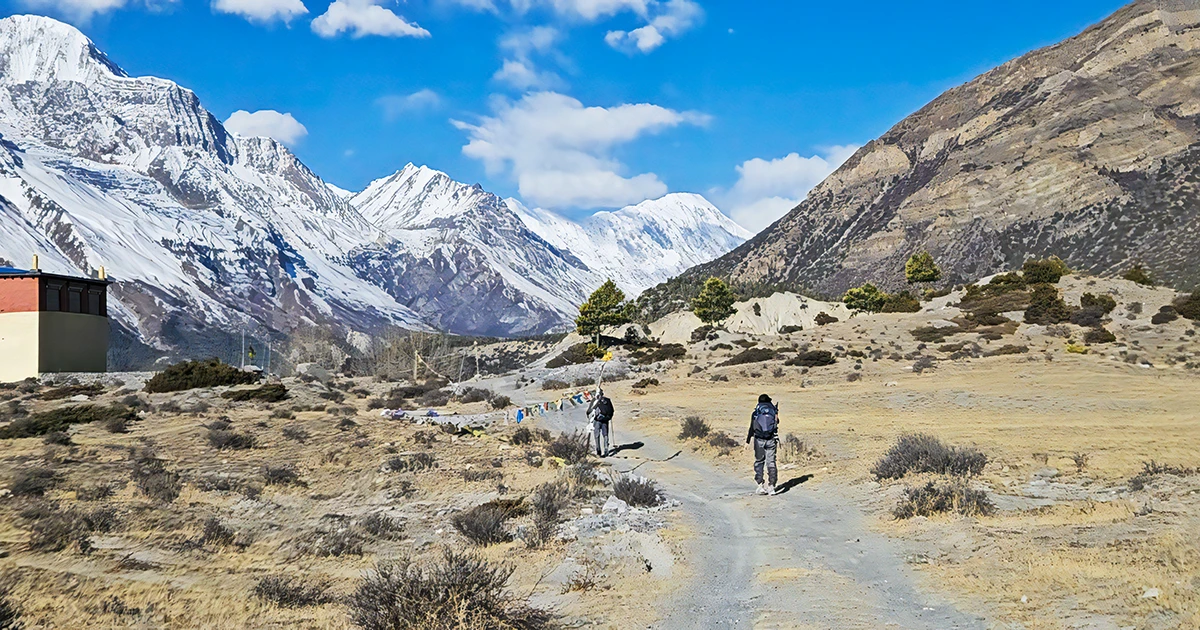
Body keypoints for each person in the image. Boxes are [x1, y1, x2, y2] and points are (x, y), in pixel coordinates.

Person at [746, 394, 779, 495]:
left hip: (759, 439)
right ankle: (772, 486)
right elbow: (776, 423)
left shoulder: (756, 412)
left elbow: (752, 427)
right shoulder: (773, 411)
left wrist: (748, 441)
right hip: (771, 439)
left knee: (759, 461)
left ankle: (760, 485)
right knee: (771, 462)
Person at [587, 388, 614, 457]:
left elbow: (611, 410)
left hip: (601, 420)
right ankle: (601, 449)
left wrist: (607, 418)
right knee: (601, 435)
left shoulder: (603, 401)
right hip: (600, 420)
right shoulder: (597, 401)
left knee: (601, 435)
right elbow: (589, 411)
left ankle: (602, 450)